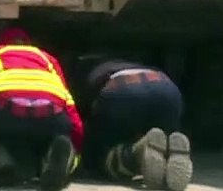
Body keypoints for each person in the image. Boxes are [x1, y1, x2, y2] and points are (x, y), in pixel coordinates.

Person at [0, 27, 82, 191]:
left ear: (0, 43)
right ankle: (62, 160)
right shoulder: (48, 58)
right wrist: (76, 146)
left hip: (2, 113)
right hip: (50, 115)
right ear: (28, 44)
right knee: (59, 133)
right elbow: (70, 107)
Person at [74, 59, 192, 191]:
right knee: (163, 139)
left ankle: (136, 155)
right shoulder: (142, 65)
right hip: (167, 88)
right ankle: (170, 151)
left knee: (95, 158)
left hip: (122, 89)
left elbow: (83, 114)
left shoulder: (91, 71)